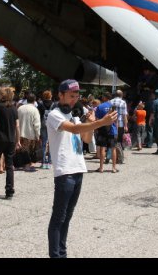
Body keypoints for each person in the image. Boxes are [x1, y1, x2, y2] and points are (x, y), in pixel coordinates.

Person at [46, 79, 118, 258]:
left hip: (78, 170)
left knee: (67, 218)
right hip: (65, 173)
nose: (74, 99)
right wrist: (101, 123)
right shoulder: (54, 115)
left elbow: (85, 138)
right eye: (71, 96)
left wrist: (92, 124)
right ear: (60, 95)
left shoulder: (74, 116)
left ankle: (62, 253)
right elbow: (74, 130)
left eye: (77, 96)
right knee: (58, 218)